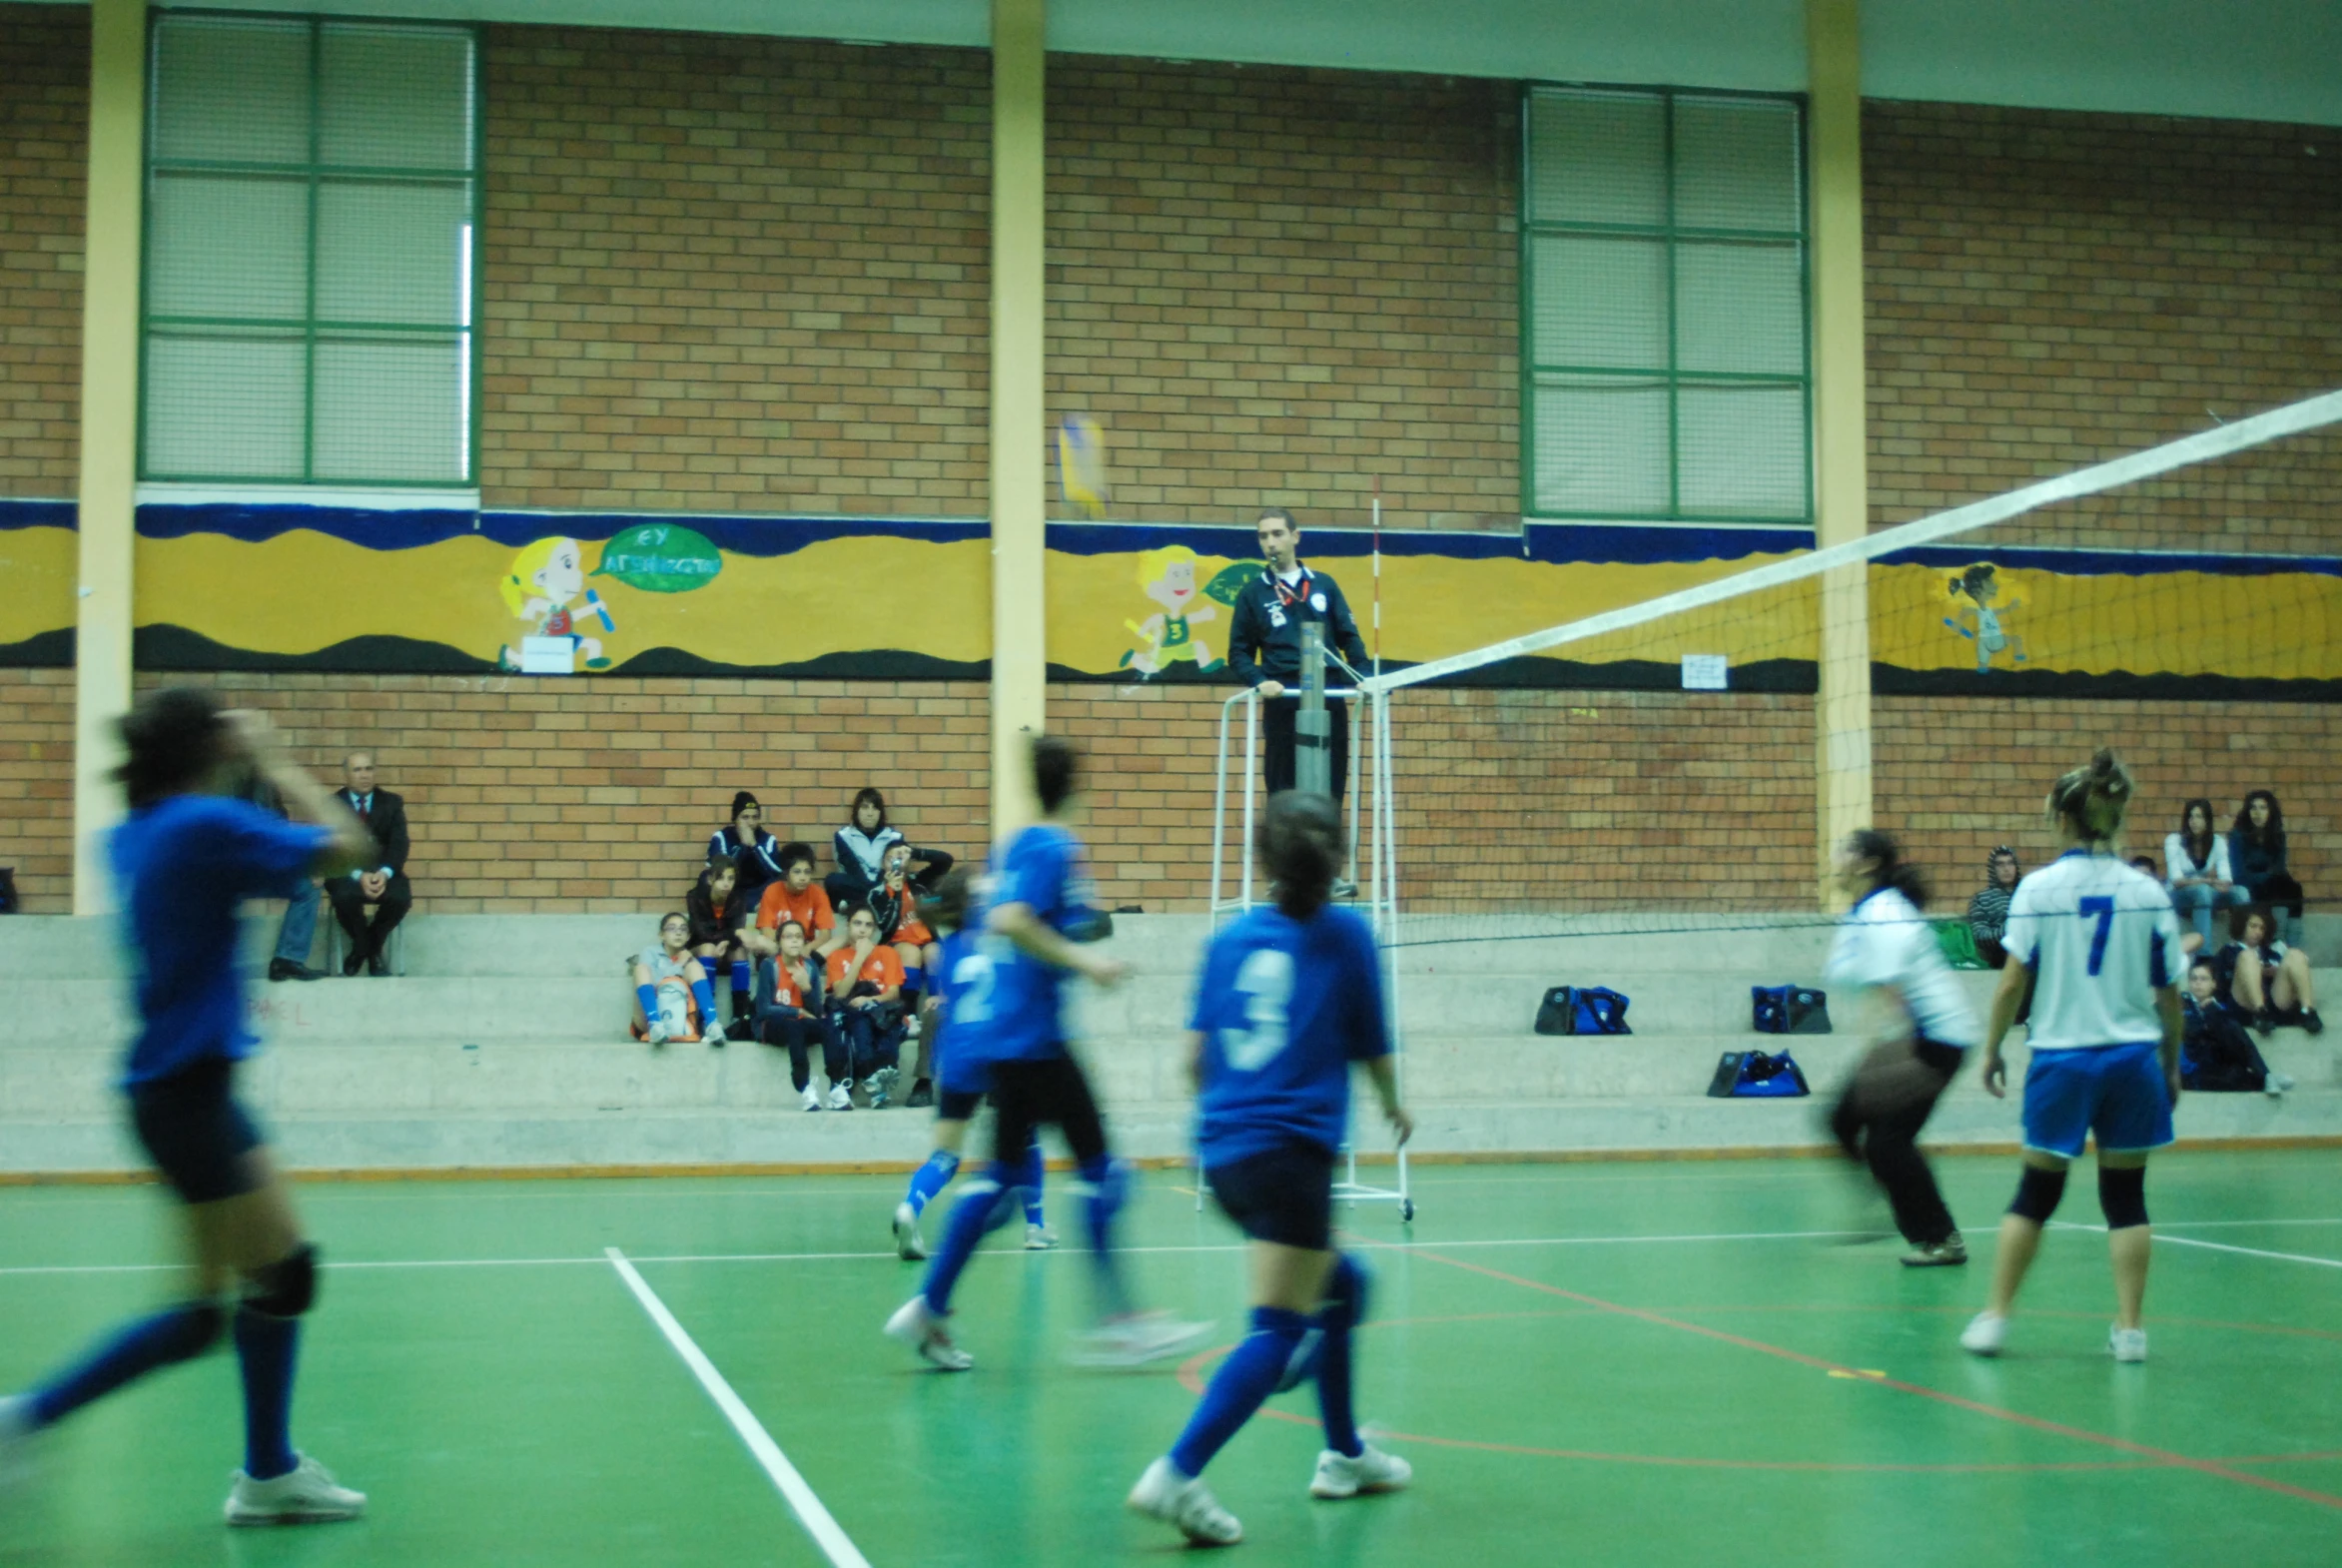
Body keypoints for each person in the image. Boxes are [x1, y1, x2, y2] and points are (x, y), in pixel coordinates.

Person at [0, 689, 374, 1523]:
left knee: (255, 1289)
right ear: (208, 750)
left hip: (184, 1091)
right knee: (244, 1294)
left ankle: (269, 1473)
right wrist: (272, 758)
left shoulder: (133, 833)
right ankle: (27, 1421)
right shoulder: (202, 828)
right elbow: (352, 846)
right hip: (188, 1098)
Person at [1126, 792, 1414, 1547]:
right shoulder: (1347, 936)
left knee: (1344, 1286)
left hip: (1222, 1158)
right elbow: (1374, 1049)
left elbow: (1191, 1060)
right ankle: (1177, 1474)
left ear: (1262, 860)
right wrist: (1394, 1104)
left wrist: (1227, 1118)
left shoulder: (1228, 941)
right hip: (1289, 1157)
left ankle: (1344, 1452)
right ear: (1338, 863)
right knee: (1277, 1328)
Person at [884, 734, 1206, 1371]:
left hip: (1007, 1037)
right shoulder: (1054, 846)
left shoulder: (1012, 846)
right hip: (1035, 1038)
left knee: (1001, 1179)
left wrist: (1076, 932)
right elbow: (1008, 919)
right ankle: (1120, 1322)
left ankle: (929, 1307)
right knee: (1103, 1173)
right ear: (1077, 785)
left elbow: (1016, 917)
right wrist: (1086, 960)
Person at [1961, 750, 2184, 1364]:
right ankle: (2131, 1331)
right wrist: (2170, 1064)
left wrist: (1991, 1051)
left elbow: (2010, 984)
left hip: (2062, 1059)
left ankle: (1995, 1319)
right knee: (2126, 1199)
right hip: (2132, 1059)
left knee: (2036, 1192)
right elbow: (2169, 993)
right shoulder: (2146, 890)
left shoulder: (2037, 888)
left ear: (2061, 818)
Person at [1821, 830, 1978, 1268]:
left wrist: (1896, 1052)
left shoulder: (1883, 912)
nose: (1834, 856)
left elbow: (1892, 992)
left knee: (1889, 1143)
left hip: (1935, 1038)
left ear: (1868, 864)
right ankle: (1885, 1194)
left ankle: (1941, 1238)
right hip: (1915, 1037)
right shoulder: (1863, 913)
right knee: (1841, 1119)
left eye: (1844, 849)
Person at [891, 868, 1053, 1260]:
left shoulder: (949, 950)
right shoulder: (1002, 939)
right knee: (1026, 1141)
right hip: (1001, 1053)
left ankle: (911, 1205)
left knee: (946, 1154)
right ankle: (1036, 1226)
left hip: (958, 1055)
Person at [1226, 509, 1371, 832]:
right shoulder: (1253, 593)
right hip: (1283, 696)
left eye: (1277, 533)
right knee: (1283, 787)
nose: (1270, 543)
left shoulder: (1324, 585)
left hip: (1328, 692)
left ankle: (1329, 875)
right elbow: (1238, 653)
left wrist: (1364, 678)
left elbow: (1350, 639)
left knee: (1330, 784)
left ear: (1295, 536)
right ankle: (1284, 876)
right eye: (1263, 536)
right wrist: (1260, 681)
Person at [325, 752, 409, 977]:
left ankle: (365, 949)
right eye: (357, 770)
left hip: (384, 872)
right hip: (346, 872)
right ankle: (368, 949)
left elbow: (399, 845)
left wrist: (384, 873)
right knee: (342, 897)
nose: (364, 775)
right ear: (345, 774)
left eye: (369, 769)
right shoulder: (333, 804)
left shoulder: (392, 803)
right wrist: (358, 875)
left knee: (401, 898)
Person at [754, 919, 846, 1112]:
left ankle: (836, 1085)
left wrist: (806, 988)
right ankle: (805, 1087)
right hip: (772, 1025)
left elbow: (816, 1012)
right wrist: (796, 1011)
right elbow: (763, 1009)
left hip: (802, 1022)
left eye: (798, 937)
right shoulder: (769, 966)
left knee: (830, 1025)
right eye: (788, 937)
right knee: (793, 1025)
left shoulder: (810, 966)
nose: (794, 941)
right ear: (779, 942)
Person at [826, 787, 953, 921]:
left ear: (881, 812)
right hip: (862, 886)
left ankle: (857, 904)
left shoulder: (894, 837)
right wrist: (877, 893)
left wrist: (912, 852)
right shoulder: (843, 836)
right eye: (865, 807)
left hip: (888, 884)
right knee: (833, 880)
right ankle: (872, 902)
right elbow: (852, 868)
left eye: (875, 808)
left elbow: (945, 860)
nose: (870, 813)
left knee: (934, 897)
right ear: (856, 811)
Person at [826, 905, 908, 1109]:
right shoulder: (837, 956)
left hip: (881, 1010)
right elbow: (841, 993)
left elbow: (893, 992)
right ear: (848, 925)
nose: (862, 930)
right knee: (859, 1020)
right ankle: (875, 1081)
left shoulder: (887, 952)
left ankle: (877, 1077)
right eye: (857, 923)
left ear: (874, 930)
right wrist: (859, 957)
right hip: (853, 1013)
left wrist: (871, 1000)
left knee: (887, 1022)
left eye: (868, 925)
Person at [245, 772, 323, 983]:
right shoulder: (223, 785)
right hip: (231, 865)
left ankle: (287, 958)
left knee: (308, 886)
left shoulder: (267, 785)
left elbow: (280, 830)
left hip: (264, 864)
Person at [2180, 956, 2288, 1096]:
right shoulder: (2182, 1003)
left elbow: (2233, 1039)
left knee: (2230, 1030)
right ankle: (2266, 1076)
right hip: (2194, 1070)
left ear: (2214, 984)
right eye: (2194, 979)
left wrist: (2212, 1010)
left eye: (2203, 979)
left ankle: (2265, 1077)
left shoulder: (2218, 1006)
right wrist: (2208, 1012)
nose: (2198, 983)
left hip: (2218, 1066)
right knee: (2221, 1021)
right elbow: (2192, 1031)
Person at [2214, 904, 2324, 1038]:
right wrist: (2256, 970)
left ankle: (2308, 1011)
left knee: (2295, 954)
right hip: (2245, 1006)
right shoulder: (2227, 952)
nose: (2258, 932)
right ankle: (2260, 1013)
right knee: (2248, 956)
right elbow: (2219, 988)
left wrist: (2277, 971)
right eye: (2253, 926)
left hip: (2275, 1004)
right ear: (2242, 925)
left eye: (2262, 928)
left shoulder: (2271, 952)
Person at [629, 912, 726, 1047]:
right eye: (671, 928)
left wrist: (686, 962)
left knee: (695, 967)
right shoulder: (650, 952)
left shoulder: (688, 958)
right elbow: (654, 983)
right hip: (649, 1018)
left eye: (683, 929)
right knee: (640, 968)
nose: (678, 933)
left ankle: (712, 1025)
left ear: (688, 937)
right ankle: (655, 1026)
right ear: (661, 935)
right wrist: (678, 965)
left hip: (682, 1020)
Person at [2164, 797, 2244, 950]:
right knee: (2203, 891)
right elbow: (2177, 881)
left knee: (2241, 892)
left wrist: (2223, 885)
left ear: (2207, 820)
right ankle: (2204, 954)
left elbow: (2226, 878)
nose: (2193, 821)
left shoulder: (2217, 842)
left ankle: (2243, 949)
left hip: (2206, 896)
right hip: (2178, 898)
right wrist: (2209, 881)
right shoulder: (2174, 841)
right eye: (2190, 816)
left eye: (2199, 816)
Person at [2230, 791, 2305, 939]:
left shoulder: (2278, 835)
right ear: (2247, 811)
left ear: (2271, 811)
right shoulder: (2238, 836)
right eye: (2253, 808)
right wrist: (2267, 875)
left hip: (2272, 884)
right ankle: (2277, 940)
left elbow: (2280, 868)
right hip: (2248, 885)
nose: (2257, 813)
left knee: (2295, 889)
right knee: (2276, 886)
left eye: (2263, 808)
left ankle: (2292, 944)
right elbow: (2239, 875)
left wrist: (2270, 875)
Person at [685, 859, 748, 1025]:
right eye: (721, 878)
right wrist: (726, 938)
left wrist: (726, 941)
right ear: (710, 880)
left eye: (731, 879)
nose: (726, 884)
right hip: (698, 950)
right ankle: (706, 1014)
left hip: (725, 949)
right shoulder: (695, 897)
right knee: (708, 948)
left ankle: (739, 1016)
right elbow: (701, 931)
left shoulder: (738, 899)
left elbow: (738, 929)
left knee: (740, 951)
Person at [709, 791, 787, 920]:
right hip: (730, 890)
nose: (750, 822)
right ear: (735, 819)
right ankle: (752, 907)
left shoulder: (768, 839)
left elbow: (776, 872)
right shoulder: (721, 837)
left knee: (780, 881)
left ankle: (751, 906)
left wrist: (755, 846)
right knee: (705, 879)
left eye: (755, 817)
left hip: (758, 892)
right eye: (745, 817)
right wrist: (743, 847)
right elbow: (718, 871)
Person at [1966, 846, 2018, 969]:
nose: (2006, 869)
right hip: (2000, 959)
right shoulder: (1981, 899)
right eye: (2000, 865)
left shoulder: (2027, 894)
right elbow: (1980, 936)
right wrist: (2008, 929)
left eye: (2010, 863)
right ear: (1993, 869)